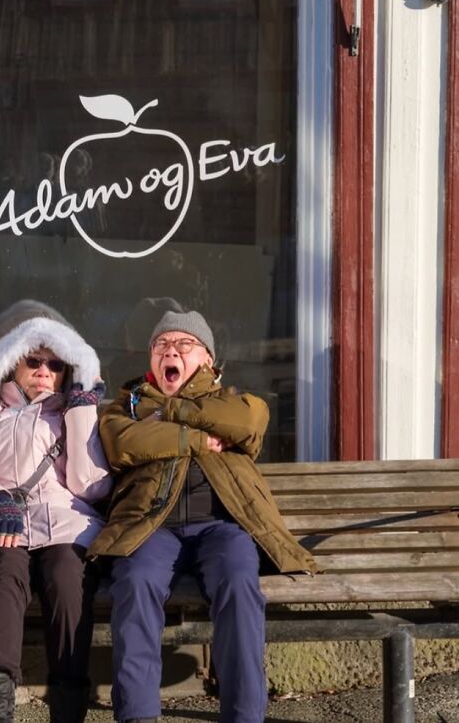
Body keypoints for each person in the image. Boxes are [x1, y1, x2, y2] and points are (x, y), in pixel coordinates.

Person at [89, 309, 318, 723]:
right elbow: (123, 441)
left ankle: (245, 715)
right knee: (136, 582)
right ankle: (138, 716)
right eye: (161, 345)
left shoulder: (233, 402)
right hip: (150, 524)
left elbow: (247, 423)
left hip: (222, 525)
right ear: (151, 359)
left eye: (183, 344)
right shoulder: (126, 404)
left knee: (238, 581)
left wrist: (172, 412)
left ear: (207, 360)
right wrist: (196, 438)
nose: (170, 351)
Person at [0, 301, 112, 723]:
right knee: (5, 570)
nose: (43, 371)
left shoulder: (72, 413)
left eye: (55, 365)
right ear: (13, 363)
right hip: (0, 527)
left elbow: (92, 486)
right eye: (34, 360)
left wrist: (81, 410)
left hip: (63, 524)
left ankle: (68, 707)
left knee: (69, 575)